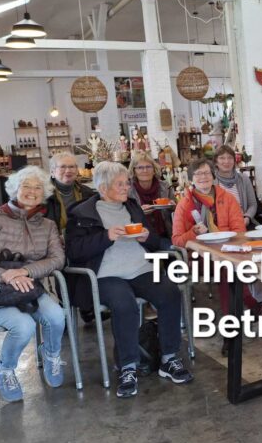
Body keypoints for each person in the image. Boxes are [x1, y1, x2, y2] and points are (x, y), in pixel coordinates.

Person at [65, 161, 193, 398]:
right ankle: (128, 367)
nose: (126, 187)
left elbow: (152, 241)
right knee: (124, 304)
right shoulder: (81, 213)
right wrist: (106, 237)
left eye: (126, 183)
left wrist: (147, 237)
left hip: (140, 268)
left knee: (169, 293)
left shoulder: (132, 207)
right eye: (120, 184)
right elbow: (74, 251)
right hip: (106, 274)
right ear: (103, 188)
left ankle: (169, 358)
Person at [0, 166, 67, 402]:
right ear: (14, 189)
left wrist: (25, 271)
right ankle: (6, 368)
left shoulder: (48, 225)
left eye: (38, 187)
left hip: (28, 291)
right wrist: (7, 275)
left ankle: (51, 355)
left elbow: (57, 259)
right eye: (26, 186)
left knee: (56, 316)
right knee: (24, 326)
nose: (32, 191)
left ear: (44, 193)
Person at [172, 159, 262, 355]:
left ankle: (230, 332)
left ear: (213, 176)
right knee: (227, 271)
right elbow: (177, 240)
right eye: (198, 174)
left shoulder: (227, 198)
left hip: (226, 252)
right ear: (191, 179)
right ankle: (253, 306)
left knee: (226, 270)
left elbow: (239, 230)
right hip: (198, 258)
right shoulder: (184, 204)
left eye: (207, 173)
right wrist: (192, 233)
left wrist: (225, 241)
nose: (203, 177)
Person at [45, 153, 98, 323]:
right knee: (63, 261)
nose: (68, 171)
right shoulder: (44, 196)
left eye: (72, 167)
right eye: (63, 167)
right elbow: (38, 224)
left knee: (92, 254)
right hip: (54, 244)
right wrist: (56, 238)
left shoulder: (87, 193)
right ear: (52, 172)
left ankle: (86, 304)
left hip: (80, 240)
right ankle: (67, 309)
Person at [127, 151, 175, 245]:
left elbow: (176, 212)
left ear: (154, 169)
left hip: (164, 235)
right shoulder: (127, 190)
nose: (145, 170)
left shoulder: (165, 187)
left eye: (148, 167)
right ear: (134, 171)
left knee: (174, 250)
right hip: (139, 238)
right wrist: (139, 212)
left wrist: (173, 206)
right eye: (140, 167)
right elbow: (125, 216)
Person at [214, 145, 258, 229]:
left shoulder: (244, 179)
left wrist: (247, 217)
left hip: (242, 223)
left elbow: (252, 204)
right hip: (220, 227)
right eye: (222, 158)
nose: (226, 161)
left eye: (230, 158)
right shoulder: (212, 181)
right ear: (216, 162)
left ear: (234, 161)